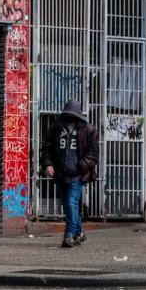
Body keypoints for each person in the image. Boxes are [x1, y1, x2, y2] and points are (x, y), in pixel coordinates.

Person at [41, 99, 99, 248]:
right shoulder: (56, 128)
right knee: (67, 205)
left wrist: (80, 167)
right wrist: (48, 164)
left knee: (71, 203)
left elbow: (93, 154)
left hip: (77, 175)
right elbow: (46, 148)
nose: (69, 118)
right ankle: (79, 232)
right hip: (60, 174)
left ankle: (69, 235)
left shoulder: (88, 130)